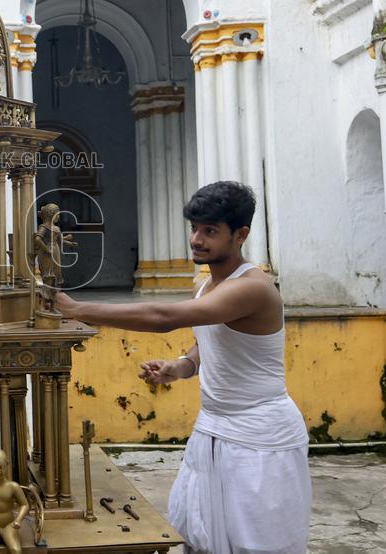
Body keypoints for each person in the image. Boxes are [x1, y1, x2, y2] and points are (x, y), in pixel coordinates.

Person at [56, 181, 310, 554]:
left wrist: (78, 309)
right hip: (213, 429)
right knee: (200, 538)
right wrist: (182, 366)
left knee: (258, 545)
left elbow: (164, 317)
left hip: (259, 436)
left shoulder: (252, 287)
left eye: (210, 231)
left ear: (240, 235)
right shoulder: (206, 286)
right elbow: (212, 341)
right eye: (194, 228)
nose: (196, 239)